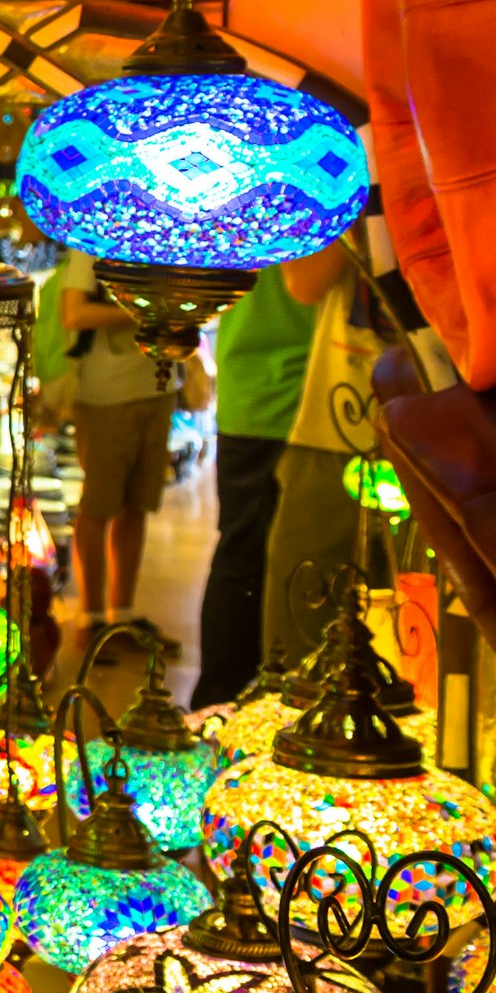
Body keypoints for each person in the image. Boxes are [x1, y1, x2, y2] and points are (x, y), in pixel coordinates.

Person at [190, 262, 316, 706]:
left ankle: (220, 702)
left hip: (259, 386)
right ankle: (230, 702)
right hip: (291, 391)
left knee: (242, 551)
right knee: (264, 557)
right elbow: (309, 284)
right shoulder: (320, 195)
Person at [49, 251, 170, 646]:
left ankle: (122, 614)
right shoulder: (94, 241)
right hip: (105, 393)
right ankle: (92, 618)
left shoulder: (166, 238)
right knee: (99, 505)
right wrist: (149, 312)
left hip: (157, 384)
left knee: (138, 504)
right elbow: (75, 314)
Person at [264, 239, 372, 669]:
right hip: (334, 420)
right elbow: (305, 282)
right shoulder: (353, 178)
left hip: (444, 423)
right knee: (301, 620)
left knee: (411, 623)